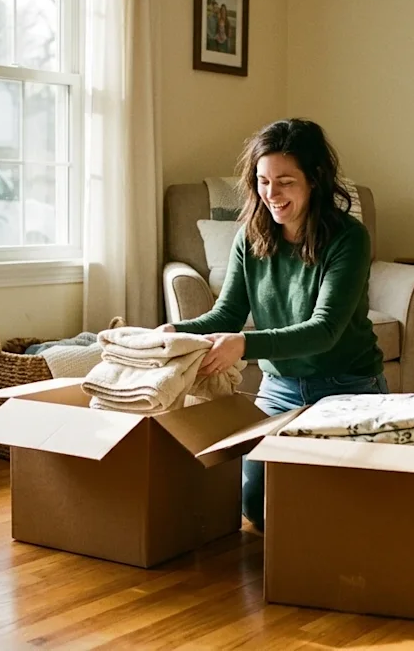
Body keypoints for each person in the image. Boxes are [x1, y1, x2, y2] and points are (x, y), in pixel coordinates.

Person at [160, 118, 387, 531]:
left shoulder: (349, 238)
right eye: (264, 181)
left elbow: (325, 330)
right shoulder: (250, 235)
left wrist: (242, 346)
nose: (272, 194)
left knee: (336, 511)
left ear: (315, 179)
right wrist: (171, 333)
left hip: (347, 387)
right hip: (279, 391)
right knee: (258, 505)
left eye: (285, 181)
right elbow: (224, 316)